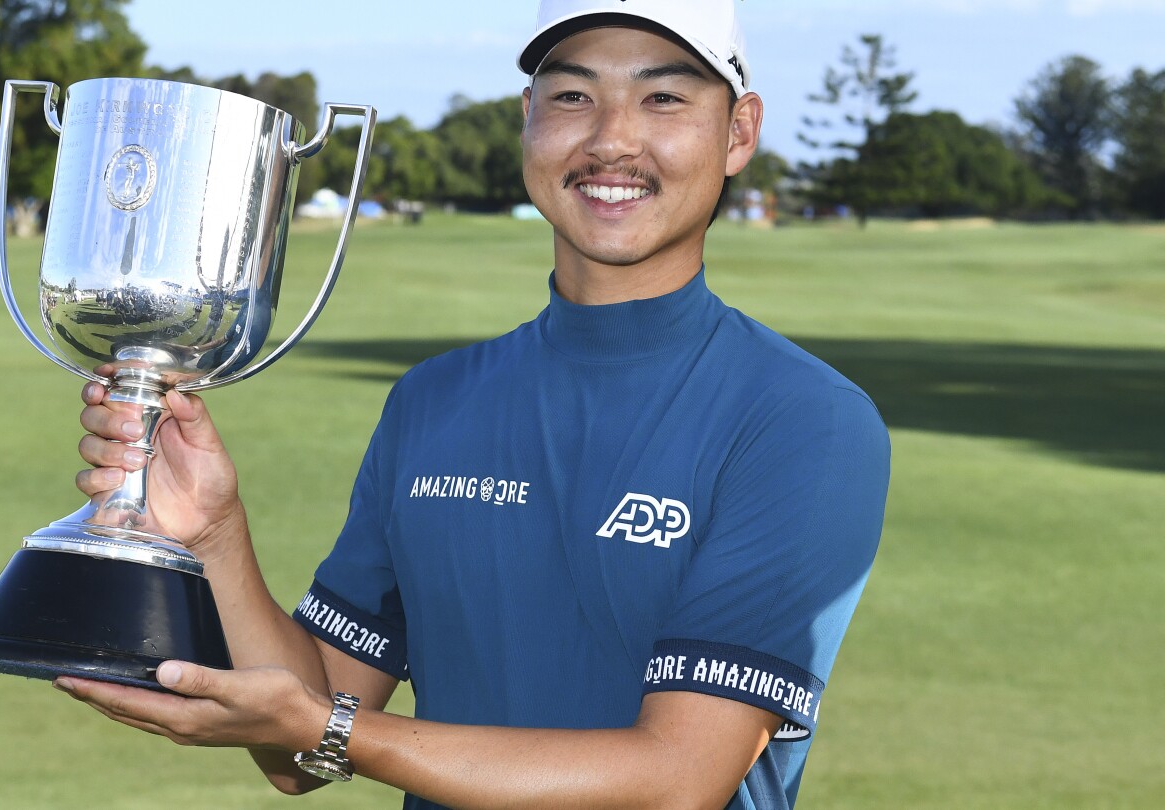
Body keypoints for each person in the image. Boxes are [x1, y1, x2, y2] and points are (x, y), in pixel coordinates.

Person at [56, 1, 891, 807]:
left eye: (663, 97)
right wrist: (215, 534)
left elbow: (676, 781)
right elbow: (299, 747)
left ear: (739, 131)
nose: (611, 140)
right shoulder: (433, 400)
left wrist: (331, 728)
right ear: (528, 118)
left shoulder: (802, 419)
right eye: (573, 96)